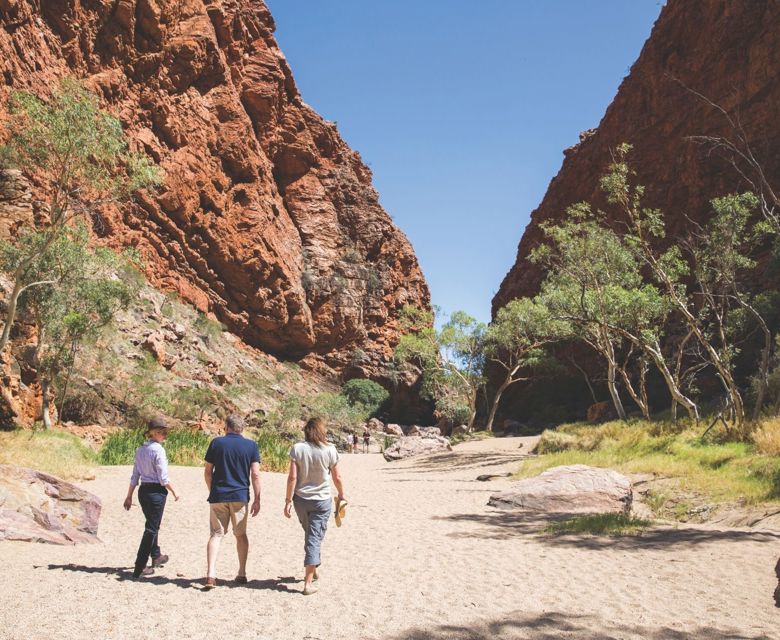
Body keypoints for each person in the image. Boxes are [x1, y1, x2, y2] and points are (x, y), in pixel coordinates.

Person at [284, 417, 345, 595]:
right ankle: (308, 584)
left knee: (311, 534)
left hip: (300, 500)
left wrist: (288, 500)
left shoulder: (298, 448)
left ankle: (314, 567)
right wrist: (341, 494)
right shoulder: (330, 450)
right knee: (314, 537)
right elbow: (337, 477)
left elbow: (292, 478)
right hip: (321, 500)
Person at [203, 414, 261, 589]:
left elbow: (207, 471)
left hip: (219, 495)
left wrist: (212, 489)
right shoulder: (251, 446)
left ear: (226, 426)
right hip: (240, 495)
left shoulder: (216, 443)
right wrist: (257, 498)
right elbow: (256, 474)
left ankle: (211, 574)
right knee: (240, 535)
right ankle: (242, 572)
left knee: (216, 534)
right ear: (242, 428)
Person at [123, 416, 180, 580]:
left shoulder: (140, 450)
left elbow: (135, 475)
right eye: (162, 433)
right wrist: (175, 491)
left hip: (143, 491)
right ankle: (139, 566)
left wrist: (129, 495)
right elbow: (163, 478)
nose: (165, 436)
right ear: (154, 433)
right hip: (156, 492)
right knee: (151, 528)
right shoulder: (158, 450)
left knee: (152, 524)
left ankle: (156, 555)